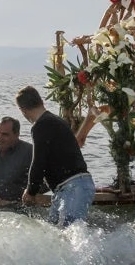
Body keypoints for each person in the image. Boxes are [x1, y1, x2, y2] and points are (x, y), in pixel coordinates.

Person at [16, 86, 95, 226]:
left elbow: (38, 162)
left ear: (22, 110)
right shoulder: (55, 120)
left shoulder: (40, 126)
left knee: (67, 235)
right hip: (72, 186)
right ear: (41, 101)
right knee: (54, 232)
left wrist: (31, 191)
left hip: (73, 187)